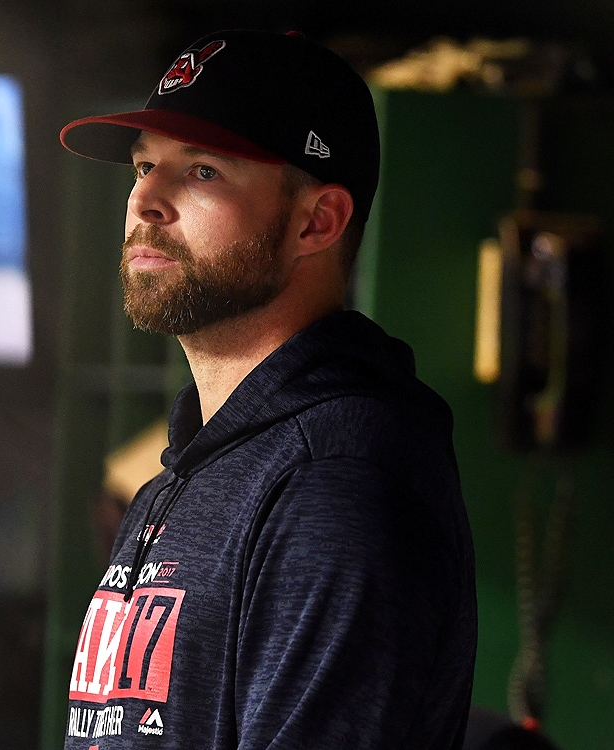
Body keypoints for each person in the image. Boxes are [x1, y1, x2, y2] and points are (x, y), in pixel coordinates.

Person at [58, 29, 477, 749]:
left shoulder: (334, 482)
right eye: (144, 166)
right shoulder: (192, 467)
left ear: (318, 221)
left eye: (204, 172)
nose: (146, 201)